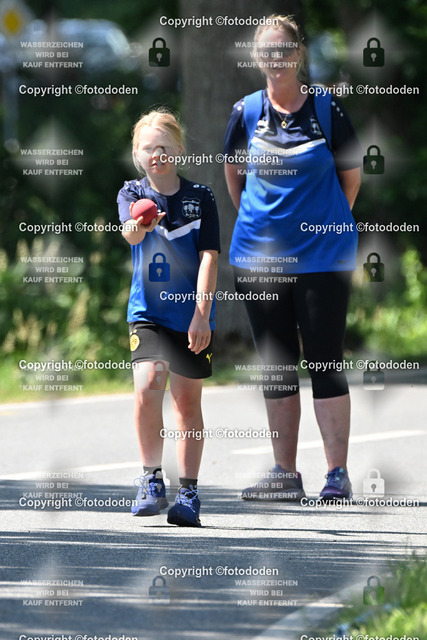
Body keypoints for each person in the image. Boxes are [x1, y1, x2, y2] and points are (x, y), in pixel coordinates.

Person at [223, 15, 362, 501]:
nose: (276, 58)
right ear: (256, 57)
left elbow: (351, 177)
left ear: (298, 53)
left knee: (325, 359)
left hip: (323, 258)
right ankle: (285, 472)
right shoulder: (245, 112)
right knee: (277, 364)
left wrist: (325, 225)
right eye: (267, 51)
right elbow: (235, 178)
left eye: (284, 49)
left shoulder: (326, 107)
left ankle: (336, 474)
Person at [117, 108, 220, 526]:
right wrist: (140, 223)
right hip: (148, 313)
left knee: (186, 402)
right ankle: (151, 479)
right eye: (148, 148)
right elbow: (130, 233)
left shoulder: (202, 197)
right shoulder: (131, 193)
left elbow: (209, 257)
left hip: (191, 315)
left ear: (178, 149)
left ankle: (188, 493)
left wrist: (202, 315)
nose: (156, 154)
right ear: (138, 155)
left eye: (163, 146)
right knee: (148, 386)